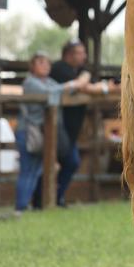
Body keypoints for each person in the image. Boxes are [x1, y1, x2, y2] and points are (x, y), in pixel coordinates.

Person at [15, 51, 79, 212]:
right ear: (32, 66)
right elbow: (52, 93)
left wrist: (73, 86)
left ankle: (26, 205)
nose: (45, 66)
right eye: (40, 62)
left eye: (47, 63)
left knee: (35, 169)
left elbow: (60, 90)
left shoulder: (49, 81)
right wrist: (74, 84)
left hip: (40, 132)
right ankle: (21, 206)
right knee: (28, 169)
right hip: (29, 131)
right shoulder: (31, 82)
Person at [48, 39, 107, 207]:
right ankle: (45, 198)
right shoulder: (60, 68)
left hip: (70, 129)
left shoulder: (79, 70)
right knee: (58, 162)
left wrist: (90, 80)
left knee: (70, 162)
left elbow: (88, 83)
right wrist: (95, 83)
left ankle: (56, 197)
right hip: (58, 126)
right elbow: (82, 86)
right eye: (80, 53)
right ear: (69, 54)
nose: (84, 56)